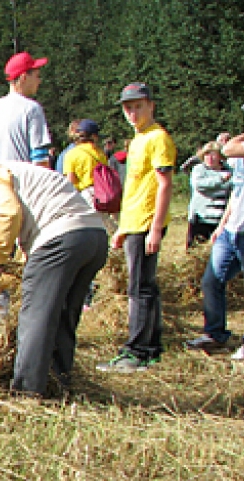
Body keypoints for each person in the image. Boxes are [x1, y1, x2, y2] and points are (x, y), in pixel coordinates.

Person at [0, 159, 108, 396]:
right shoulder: (28, 178)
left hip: (60, 239)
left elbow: (8, 213)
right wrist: (0, 284)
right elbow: (33, 265)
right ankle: (58, 383)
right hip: (93, 238)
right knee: (63, 315)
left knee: (35, 317)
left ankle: (27, 392)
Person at [185, 92, 244, 362]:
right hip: (233, 228)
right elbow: (237, 192)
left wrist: (237, 139)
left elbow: (228, 149)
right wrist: (221, 226)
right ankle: (215, 333)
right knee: (212, 281)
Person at [97, 83, 176, 373]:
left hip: (146, 223)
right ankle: (151, 347)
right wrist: (122, 227)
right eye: (128, 107)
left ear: (151, 105)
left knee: (139, 288)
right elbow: (136, 187)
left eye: (138, 106)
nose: (132, 112)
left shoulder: (158, 138)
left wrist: (155, 228)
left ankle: (138, 351)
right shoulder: (139, 139)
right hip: (134, 222)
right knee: (145, 287)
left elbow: (165, 185)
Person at [0, 51, 52, 167]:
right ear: (24, 77)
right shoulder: (32, 109)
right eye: (37, 76)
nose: (39, 81)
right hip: (20, 182)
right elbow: (40, 158)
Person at [62, 119, 117, 233]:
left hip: (85, 195)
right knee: (103, 228)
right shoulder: (100, 153)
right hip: (102, 194)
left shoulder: (72, 154)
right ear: (94, 136)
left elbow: (70, 181)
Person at [185, 142, 231, 250]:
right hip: (201, 218)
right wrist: (221, 180)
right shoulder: (198, 169)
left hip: (221, 220)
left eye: (213, 154)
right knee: (196, 252)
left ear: (220, 156)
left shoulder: (229, 170)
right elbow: (199, 185)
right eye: (207, 154)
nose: (210, 158)